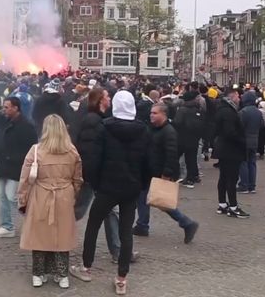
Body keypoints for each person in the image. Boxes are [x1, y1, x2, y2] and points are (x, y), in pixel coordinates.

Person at [70, 91, 149, 295]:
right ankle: (122, 278)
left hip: (107, 186)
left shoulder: (105, 128)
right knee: (126, 231)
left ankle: (86, 267)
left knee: (93, 225)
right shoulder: (143, 131)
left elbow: (94, 159)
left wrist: (96, 183)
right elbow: (148, 162)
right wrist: (141, 184)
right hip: (130, 188)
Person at [17, 115, 82, 290]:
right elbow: (78, 179)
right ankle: (62, 274)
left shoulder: (36, 150)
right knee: (62, 235)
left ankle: (38, 273)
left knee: (39, 234)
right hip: (64, 196)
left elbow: (24, 178)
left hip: (41, 194)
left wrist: (22, 200)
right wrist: (72, 195)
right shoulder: (72, 151)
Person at [75, 88, 135, 264]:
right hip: (91, 177)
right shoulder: (93, 121)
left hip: (98, 177)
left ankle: (118, 251)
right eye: (107, 96)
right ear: (101, 100)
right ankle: (53, 238)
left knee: (110, 213)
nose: (110, 98)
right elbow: (89, 151)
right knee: (76, 211)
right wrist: (92, 177)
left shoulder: (100, 120)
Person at [134, 103, 200, 241]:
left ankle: (187, 223)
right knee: (143, 197)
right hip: (148, 170)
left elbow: (172, 154)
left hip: (159, 172)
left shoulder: (169, 132)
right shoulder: (152, 129)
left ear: (163, 114)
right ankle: (142, 225)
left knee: (162, 202)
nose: (151, 115)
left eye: (155, 113)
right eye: (151, 113)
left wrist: (167, 173)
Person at [0, 96, 37, 238]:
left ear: (15, 108)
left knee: (13, 197)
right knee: (1, 196)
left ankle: (34, 224)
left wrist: (17, 159)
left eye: (6, 107)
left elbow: (32, 147)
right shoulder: (6, 122)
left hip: (16, 167)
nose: (4, 109)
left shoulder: (26, 126)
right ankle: (7, 226)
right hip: (3, 165)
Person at [213, 87, 249, 218]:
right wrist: (242, 140)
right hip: (231, 150)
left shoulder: (222, 109)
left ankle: (222, 203)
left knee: (223, 177)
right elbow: (230, 132)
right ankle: (233, 207)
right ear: (232, 97)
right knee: (231, 178)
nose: (239, 99)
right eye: (238, 96)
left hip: (224, 148)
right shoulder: (229, 112)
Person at [175, 89, 206, 188]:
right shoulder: (198, 110)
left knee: (174, 157)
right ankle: (191, 178)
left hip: (181, 138)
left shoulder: (182, 110)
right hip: (194, 139)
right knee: (191, 159)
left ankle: (173, 176)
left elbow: (177, 122)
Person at [238, 90, 263, 194]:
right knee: (252, 163)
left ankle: (244, 185)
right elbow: (262, 125)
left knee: (243, 162)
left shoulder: (243, 112)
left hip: (244, 140)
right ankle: (252, 186)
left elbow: (239, 126)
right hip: (255, 139)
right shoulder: (258, 112)